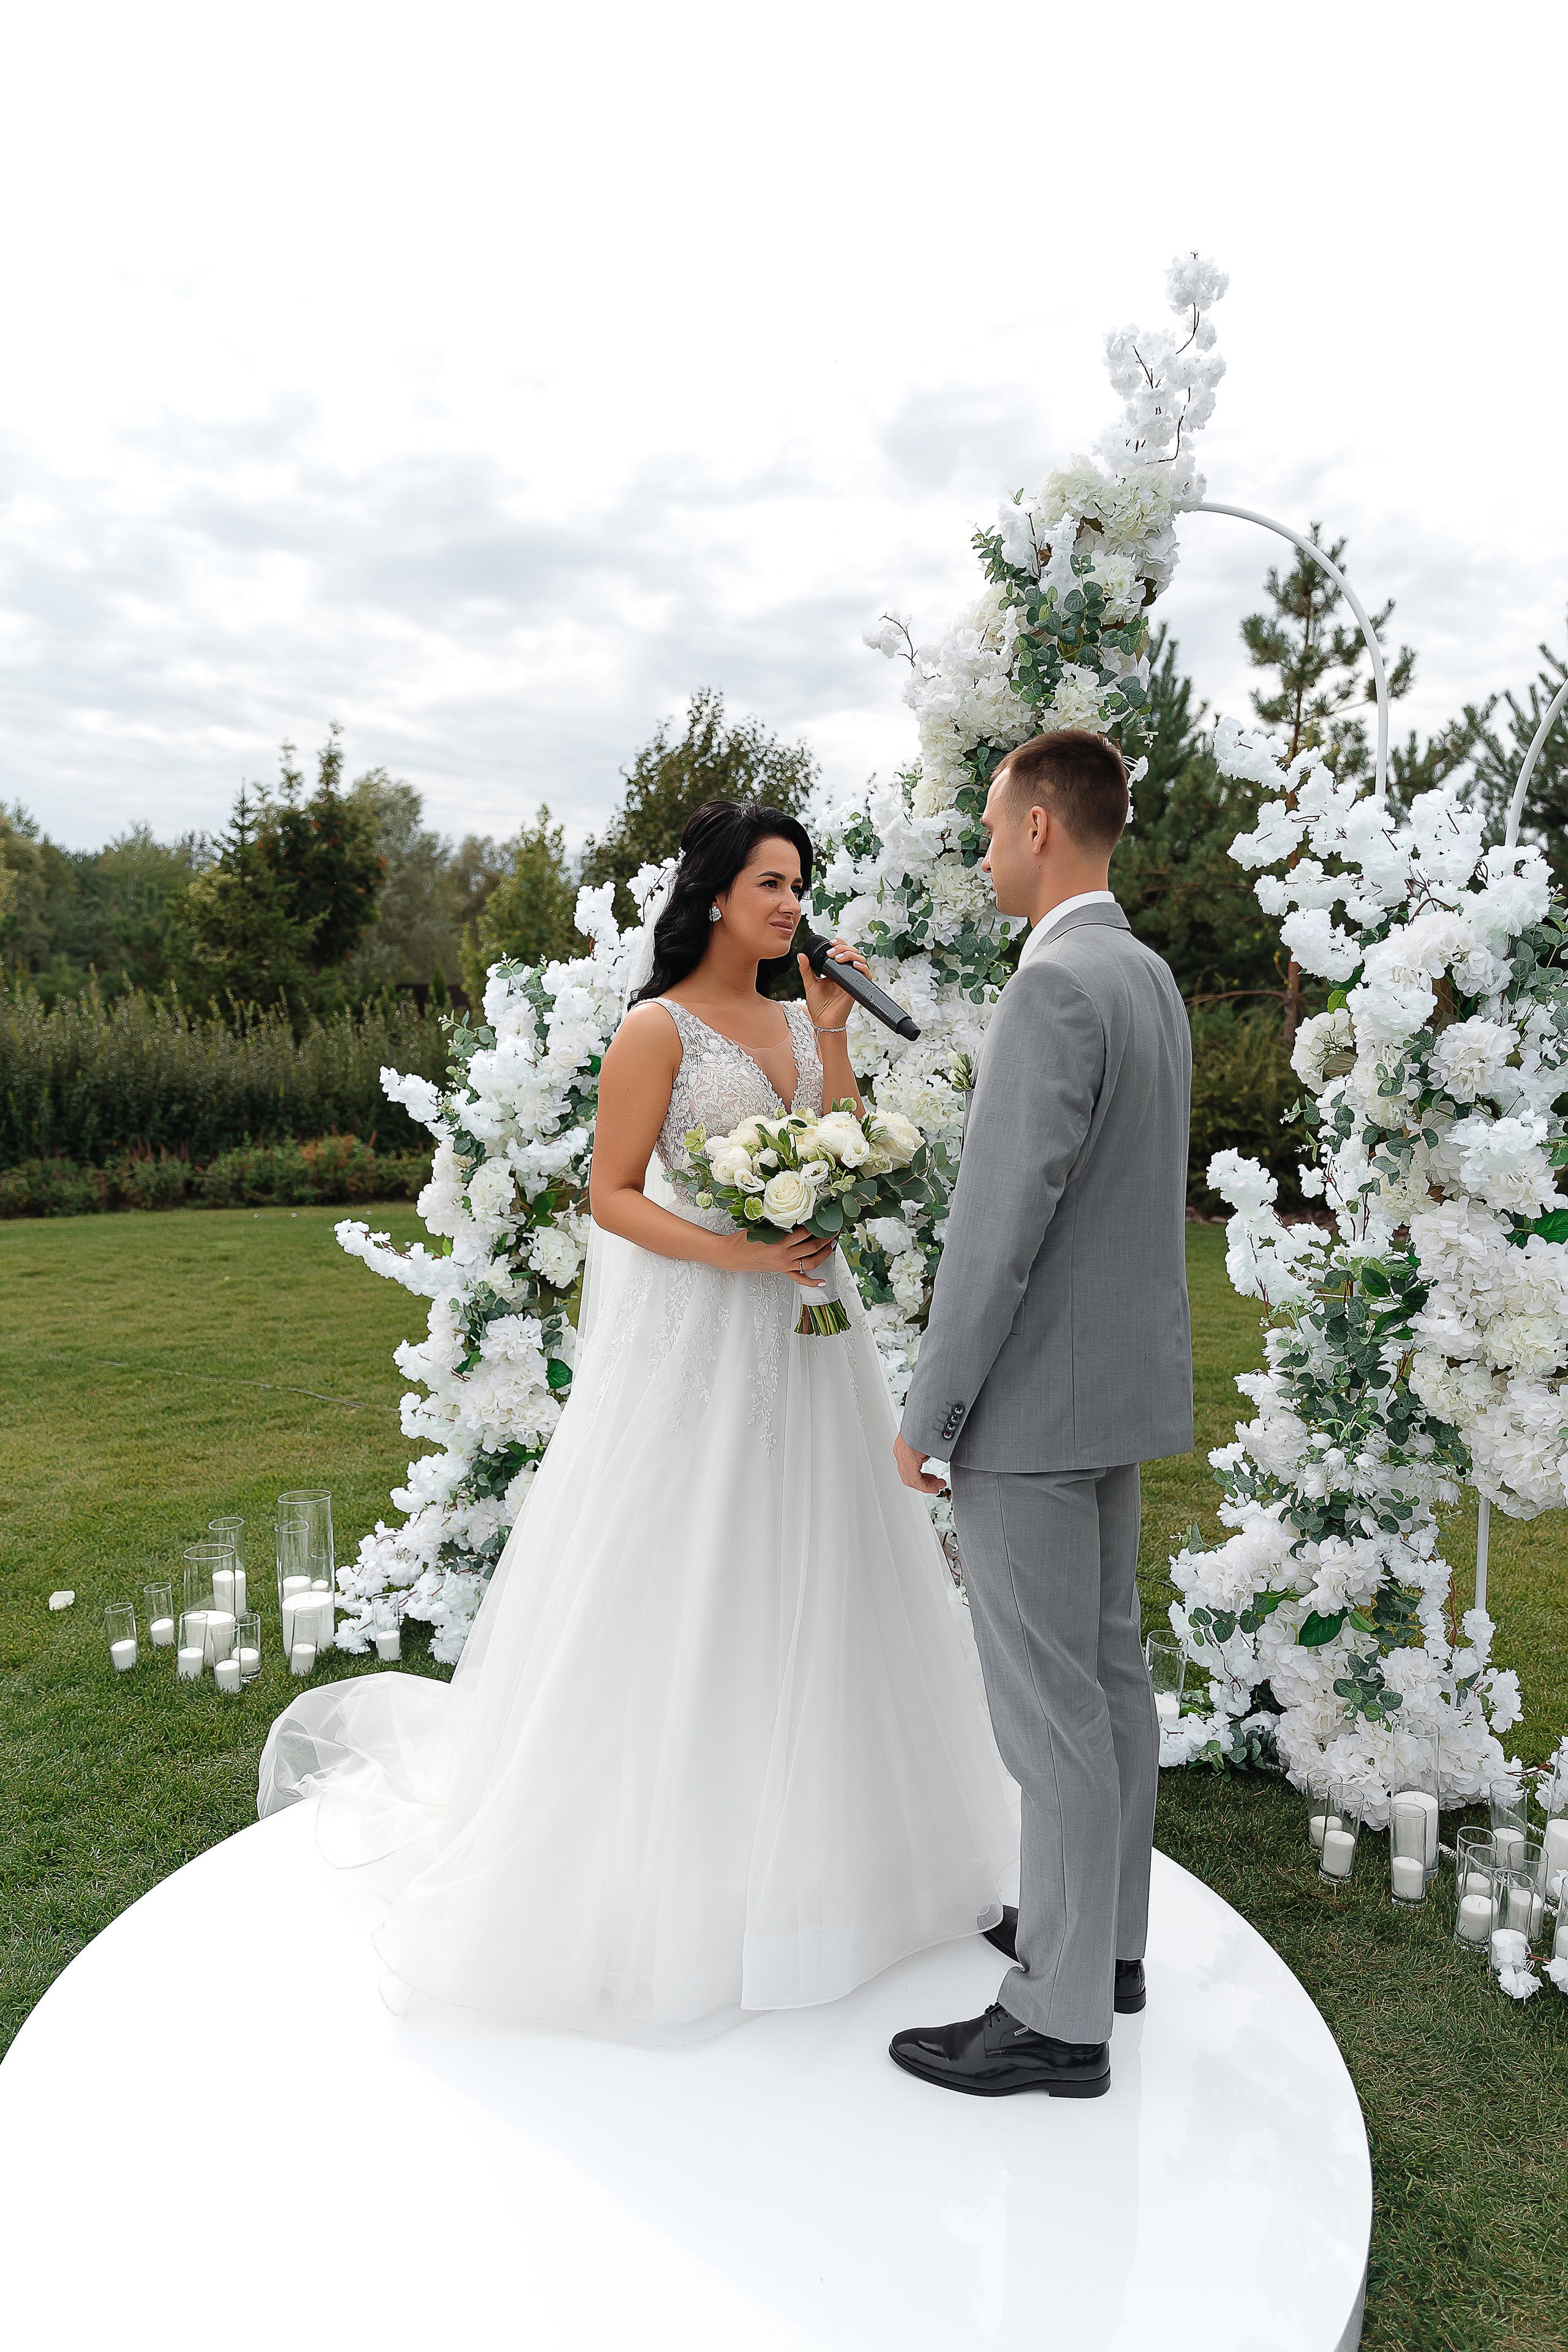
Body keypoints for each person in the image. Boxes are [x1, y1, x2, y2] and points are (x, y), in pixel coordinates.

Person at [259, 798, 1014, 2041]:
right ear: (715, 894)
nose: (789, 905)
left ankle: (854, 1855)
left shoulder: (791, 1013)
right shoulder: (654, 1029)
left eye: (798, 886)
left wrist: (830, 1036)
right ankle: (683, 1850)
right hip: (707, 1330)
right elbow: (610, 1197)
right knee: (695, 1558)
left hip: (812, 1326)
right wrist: (734, 1258)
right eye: (769, 884)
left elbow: (832, 1145)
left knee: (831, 1560)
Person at [889, 728, 1193, 2100]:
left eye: (994, 820)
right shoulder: (1144, 976)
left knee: (1048, 1710)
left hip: (1031, 1410)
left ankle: (1058, 2018)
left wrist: (931, 1410)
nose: (987, 844)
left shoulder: (1054, 987)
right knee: (1108, 1678)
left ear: (1036, 830)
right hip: (1114, 1393)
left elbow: (996, 1228)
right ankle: (1107, 1948)